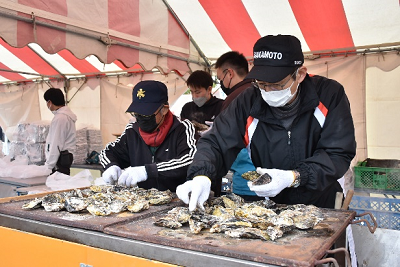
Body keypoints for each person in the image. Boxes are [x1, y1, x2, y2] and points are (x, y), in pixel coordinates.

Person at [177, 35, 356, 211]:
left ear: (300, 74)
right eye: (261, 84)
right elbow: (216, 141)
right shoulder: (247, 100)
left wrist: (294, 177)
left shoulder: (329, 95)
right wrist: (201, 175)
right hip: (272, 204)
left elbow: (338, 152)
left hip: (320, 200)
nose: (268, 91)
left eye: (277, 84)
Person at [100, 80, 197, 191]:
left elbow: (190, 160)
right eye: (137, 113)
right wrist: (110, 165)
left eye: (146, 114)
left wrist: (149, 171)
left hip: (178, 200)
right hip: (144, 203)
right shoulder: (132, 131)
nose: (140, 118)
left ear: (164, 109)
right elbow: (108, 151)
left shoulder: (182, 128)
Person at [215, 51, 257, 199]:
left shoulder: (234, 98)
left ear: (230, 73)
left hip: (244, 179)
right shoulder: (260, 91)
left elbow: (226, 140)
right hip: (266, 178)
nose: (221, 83)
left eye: (221, 78)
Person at [43, 88, 77, 175]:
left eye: (47, 102)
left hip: (59, 159)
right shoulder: (66, 116)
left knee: (57, 185)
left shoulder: (60, 118)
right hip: (64, 157)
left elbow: (56, 143)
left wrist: (48, 166)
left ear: (50, 102)